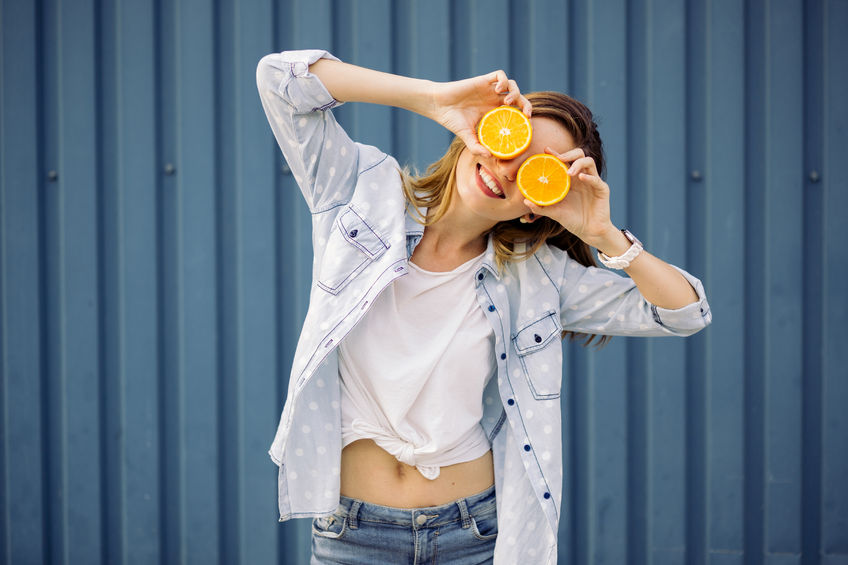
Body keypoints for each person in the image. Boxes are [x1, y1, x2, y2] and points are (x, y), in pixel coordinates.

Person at [256, 49, 711, 565]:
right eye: (510, 141)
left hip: (471, 536)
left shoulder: (538, 277)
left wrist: (605, 235)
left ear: (536, 207)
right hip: (354, 535)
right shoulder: (361, 192)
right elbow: (278, 79)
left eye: (536, 171)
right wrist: (433, 98)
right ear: (481, 130)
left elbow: (684, 312)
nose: (507, 170)